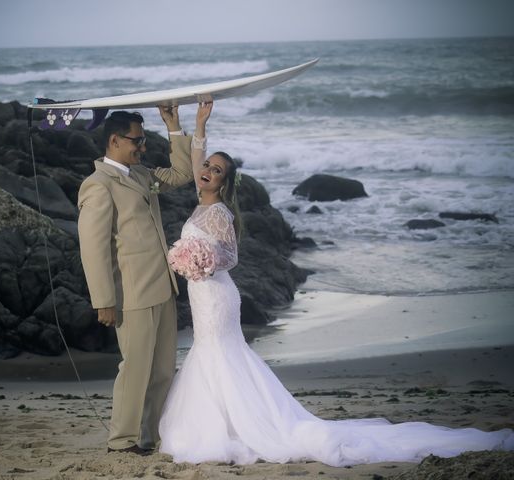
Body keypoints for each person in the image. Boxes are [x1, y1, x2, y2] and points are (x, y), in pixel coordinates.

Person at [158, 102, 514, 466]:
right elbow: (196, 156)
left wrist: (201, 262)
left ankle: (234, 429)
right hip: (203, 295)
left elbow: (231, 257)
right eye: (206, 165)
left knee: (219, 354)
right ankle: (226, 424)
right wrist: (198, 124)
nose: (207, 170)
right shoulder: (200, 202)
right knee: (214, 354)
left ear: (224, 181)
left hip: (215, 294)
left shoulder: (218, 212)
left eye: (217, 170)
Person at [77, 107, 193, 455]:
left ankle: (149, 437)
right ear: (114, 140)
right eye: (137, 140)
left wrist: (173, 126)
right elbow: (93, 250)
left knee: (161, 372)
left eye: (143, 140)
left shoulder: (141, 175)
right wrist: (103, 301)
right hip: (132, 294)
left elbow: (183, 174)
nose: (142, 147)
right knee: (135, 370)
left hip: (163, 287)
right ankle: (121, 441)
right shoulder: (97, 185)